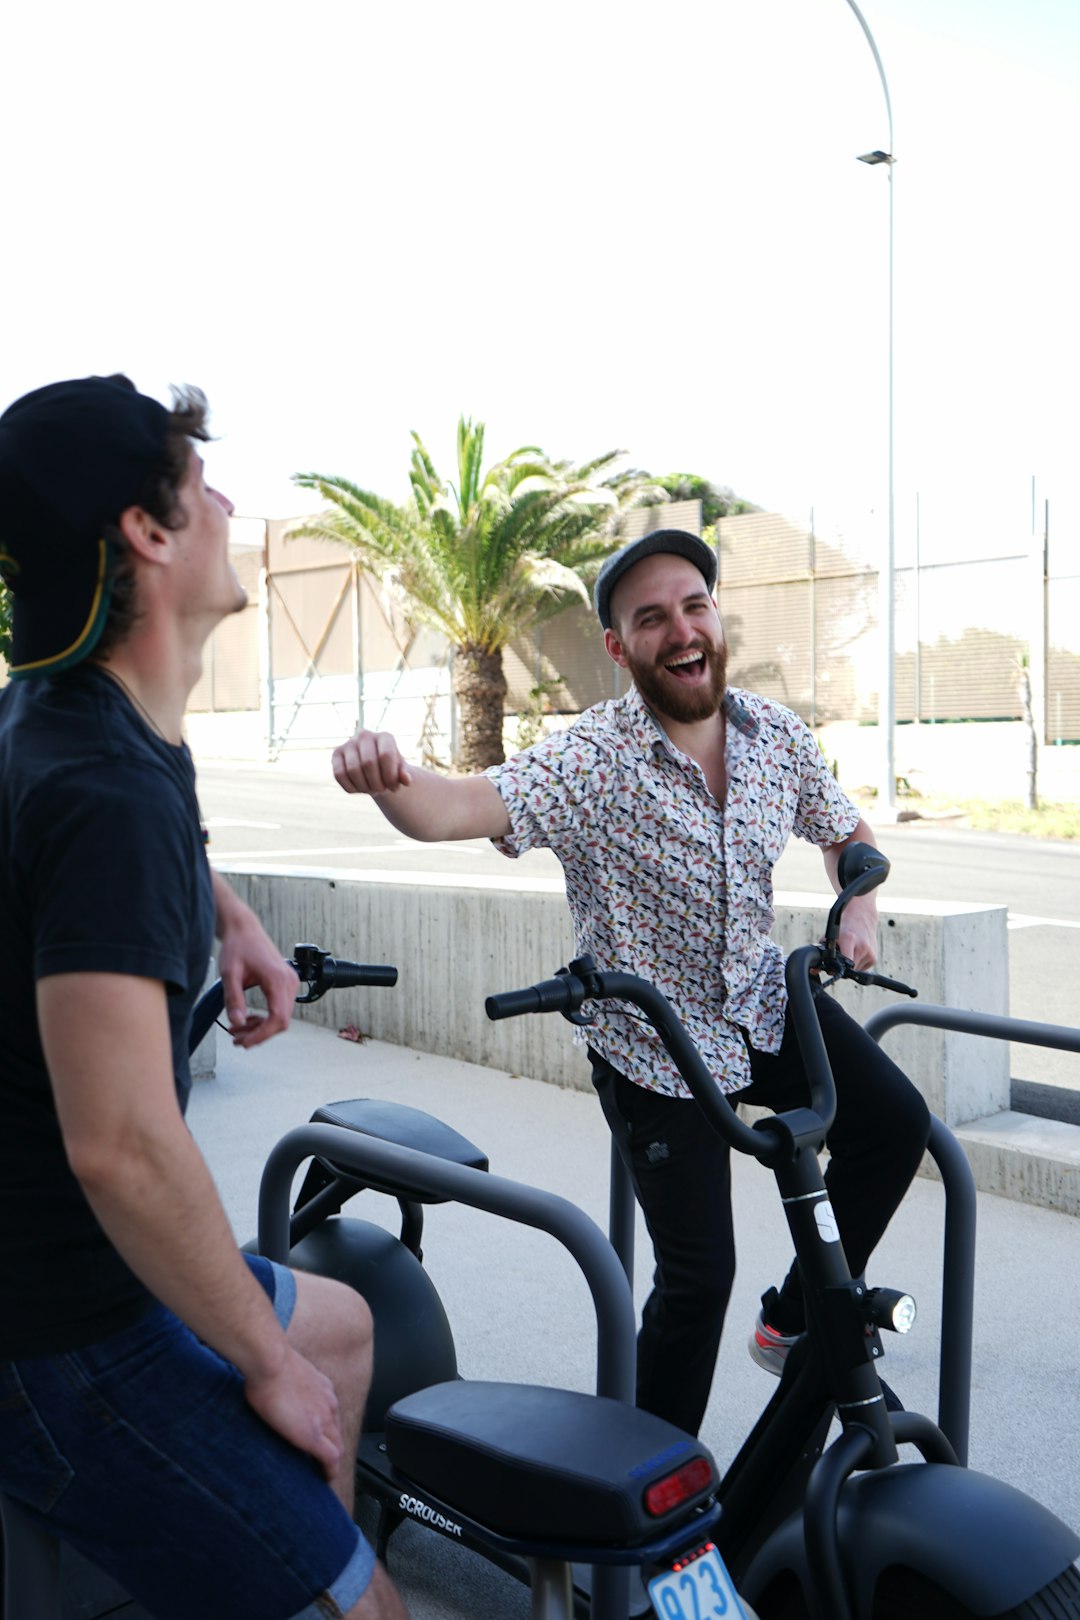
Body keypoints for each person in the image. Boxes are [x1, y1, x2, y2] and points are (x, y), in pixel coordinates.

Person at [330, 528, 931, 1440]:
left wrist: (860, 899)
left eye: (693, 606)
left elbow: (846, 833)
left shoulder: (776, 737)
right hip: (657, 1049)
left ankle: (798, 1316)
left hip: (764, 1002)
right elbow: (454, 806)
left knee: (893, 1125)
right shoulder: (594, 758)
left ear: (716, 615)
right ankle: (653, 1510)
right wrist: (387, 778)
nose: (681, 631)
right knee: (697, 1281)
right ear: (620, 647)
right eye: (651, 620)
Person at [0, 376, 406, 1620]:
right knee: (368, 1608)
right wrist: (261, 1363)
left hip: (64, 1266)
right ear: (150, 533)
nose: (230, 499)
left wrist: (228, 917)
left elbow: (154, 812)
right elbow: (122, 1149)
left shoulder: (82, 714)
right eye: (200, 478)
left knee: (337, 1324)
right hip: (60, 1331)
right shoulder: (99, 789)